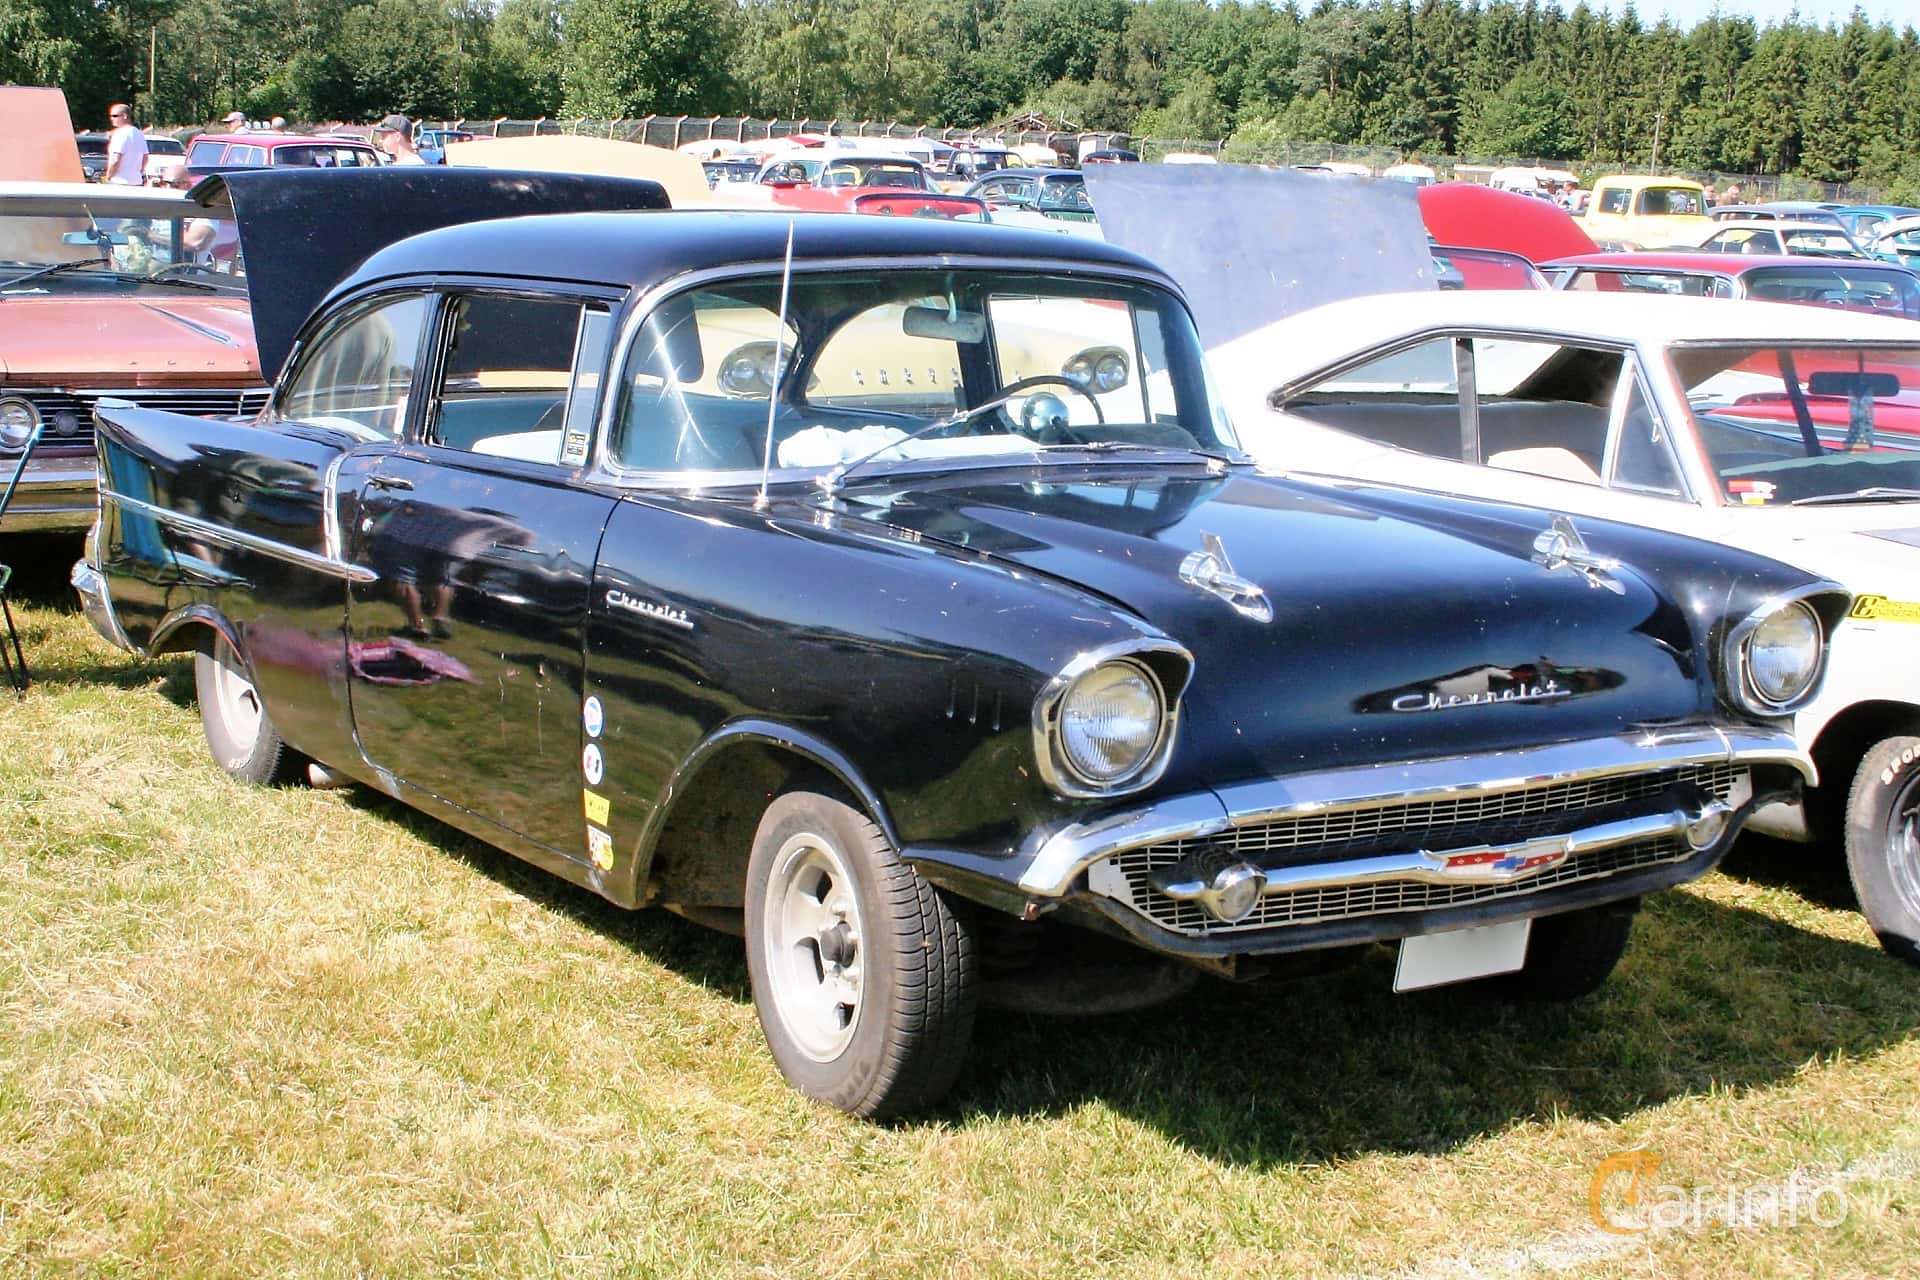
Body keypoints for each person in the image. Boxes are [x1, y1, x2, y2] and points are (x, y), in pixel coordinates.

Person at [103, 103, 148, 185]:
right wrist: (137, 172)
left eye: (115, 116)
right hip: (136, 182)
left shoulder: (120, 133)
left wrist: (108, 177)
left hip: (119, 182)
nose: (111, 119)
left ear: (124, 116)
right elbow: (145, 158)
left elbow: (115, 159)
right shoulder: (139, 134)